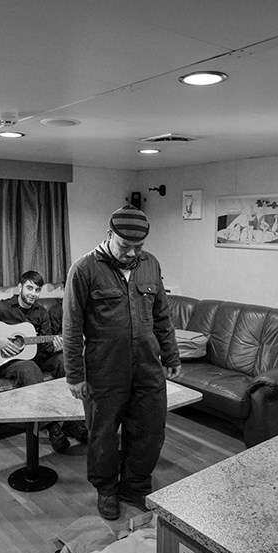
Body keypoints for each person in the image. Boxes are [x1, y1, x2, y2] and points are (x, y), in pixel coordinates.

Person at [63, 205, 180, 521]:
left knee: (150, 429)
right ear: (108, 235)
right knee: (102, 433)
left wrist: (170, 354)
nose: (131, 253)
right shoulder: (84, 269)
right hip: (104, 369)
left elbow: (161, 315)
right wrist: (74, 375)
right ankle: (107, 490)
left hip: (147, 367)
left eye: (137, 247)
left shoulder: (150, 264)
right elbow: (72, 326)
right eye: (124, 245)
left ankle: (136, 486)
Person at [0, 271, 86, 451]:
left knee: (65, 361)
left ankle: (72, 421)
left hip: (33, 356)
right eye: (29, 288)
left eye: (37, 290)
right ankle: (52, 427)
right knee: (28, 367)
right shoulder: (1, 307)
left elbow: (44, 347)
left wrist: (56, 345)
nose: (33, 293)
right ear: (20, 288)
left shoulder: (41, 313)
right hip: (4, 362)